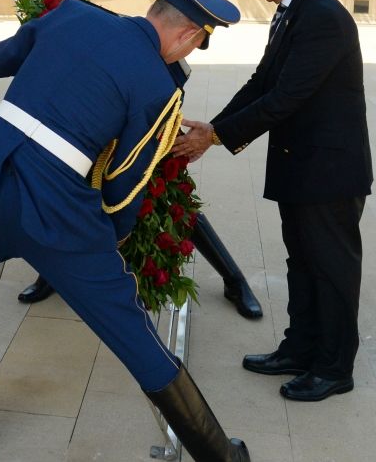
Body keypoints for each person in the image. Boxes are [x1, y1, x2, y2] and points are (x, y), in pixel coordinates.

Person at [0, 0, 250, 462]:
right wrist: (112, 240)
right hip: (56, 204)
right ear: (189, 35)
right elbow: (125, 183)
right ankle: (220, 456)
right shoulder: (159, 89)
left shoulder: (70, 14)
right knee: (128, 327)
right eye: (193, 46)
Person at [172, 0, 373, 402]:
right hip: (301, 166)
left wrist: (215, 137)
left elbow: (287, 97)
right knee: (302, 263)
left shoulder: (321, 15)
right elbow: (263, 81)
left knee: (331, 270)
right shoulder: (294, 11)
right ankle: (299, 348)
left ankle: (333, 367)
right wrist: (214, 128)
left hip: (328, 172)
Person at [17, 59, 264, 320]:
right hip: (94, 106)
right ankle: (50, 274)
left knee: (173, 200)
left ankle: (234, 280)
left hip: (149, 106)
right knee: (74, 193)